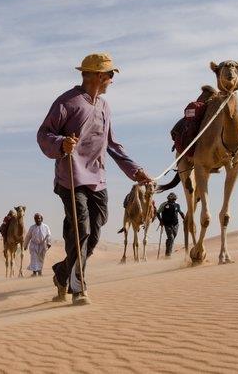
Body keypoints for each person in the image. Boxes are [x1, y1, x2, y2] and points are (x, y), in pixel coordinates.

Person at [37, 52, 152, 305]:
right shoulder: (67, 102)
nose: (112, 80)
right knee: (82, 231)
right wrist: (61, 143)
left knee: (95, 233)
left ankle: (62, 273)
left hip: (97, 179)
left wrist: (137, 172)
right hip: (71, 178)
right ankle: (78, 288)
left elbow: (112, 145)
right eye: (110, 75)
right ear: (100, 76)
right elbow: (44, 135)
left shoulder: (105, 107)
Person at [157, 192, 185, 257]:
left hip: (176, 224)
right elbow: (158, 213)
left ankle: (167, 246)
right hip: (167, 224)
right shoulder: (164, 204)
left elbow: (180, 212)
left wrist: (185, 219)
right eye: (172, 199)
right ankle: (168, 255)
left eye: (174, 199)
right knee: (171, 238)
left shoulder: (177, 205)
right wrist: (161, 221)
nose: (173, 200)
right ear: (169, 198)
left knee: (172, 238)